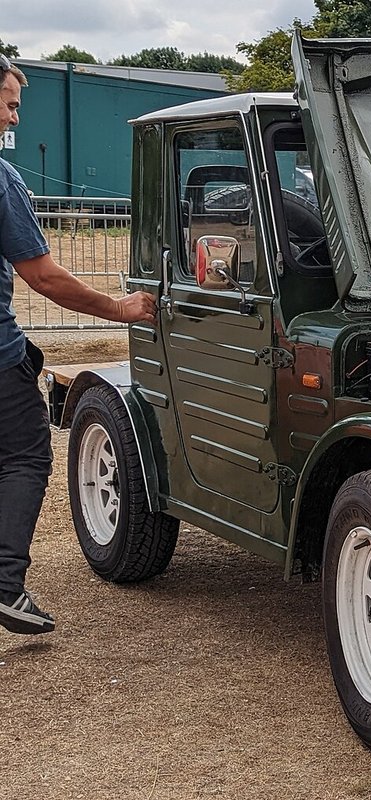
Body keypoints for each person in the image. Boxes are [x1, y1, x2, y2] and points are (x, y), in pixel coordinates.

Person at [0, 56, 156, 635]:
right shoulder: (2, 180)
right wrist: (118, 308)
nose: (15, 117)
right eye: (10, 104)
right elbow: (44, 277)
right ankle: (5, 586)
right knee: (25, 457)